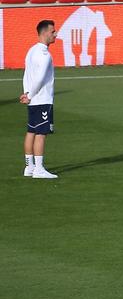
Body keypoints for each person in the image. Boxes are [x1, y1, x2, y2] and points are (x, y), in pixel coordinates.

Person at [21, 19, 58, 179]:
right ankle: (39, 169)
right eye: (52, 31)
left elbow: (26, 75)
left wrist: (26, 93)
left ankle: (29, 167)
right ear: (44, 33)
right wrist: (30, 95)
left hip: (32, 99)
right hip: (41, 98)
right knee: (41, 134)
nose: (55, 34)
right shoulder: (44, 55)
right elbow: (40, 78)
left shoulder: (31, 51)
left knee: (31, 131)